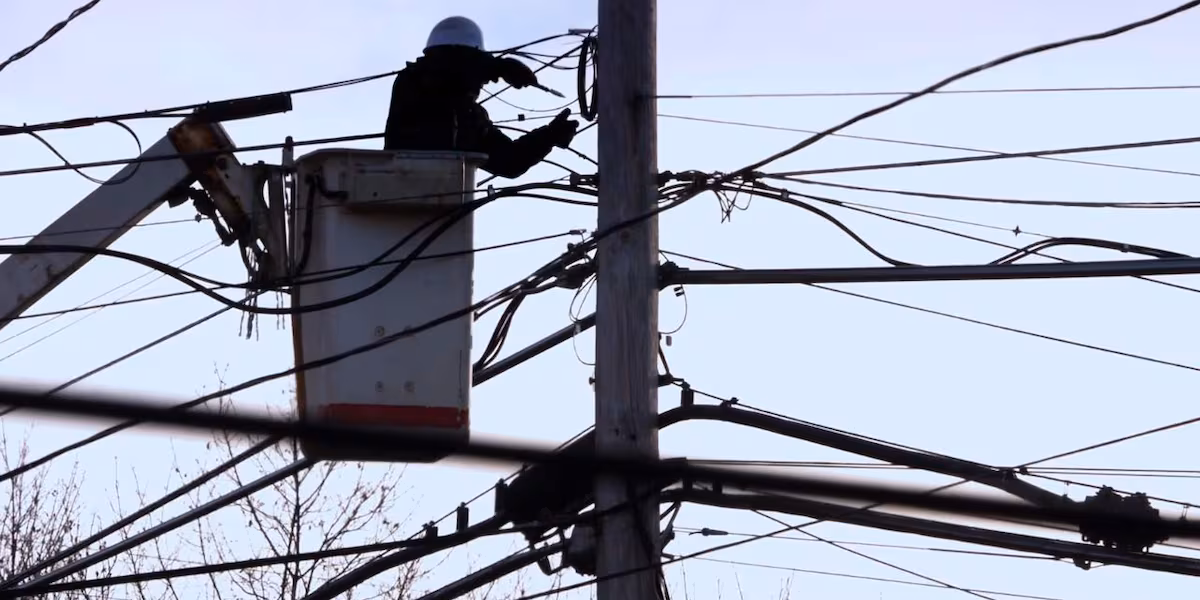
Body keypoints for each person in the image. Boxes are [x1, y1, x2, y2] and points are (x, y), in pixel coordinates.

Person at [384, 16, 579, 179]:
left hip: (442, 215)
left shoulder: (470, 119)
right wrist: (496, 67)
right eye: (474, 59)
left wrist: (549, 136)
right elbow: (445, 71)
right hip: (400, 195)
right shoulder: (412, 82)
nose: (484, 82)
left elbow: (509, 161)